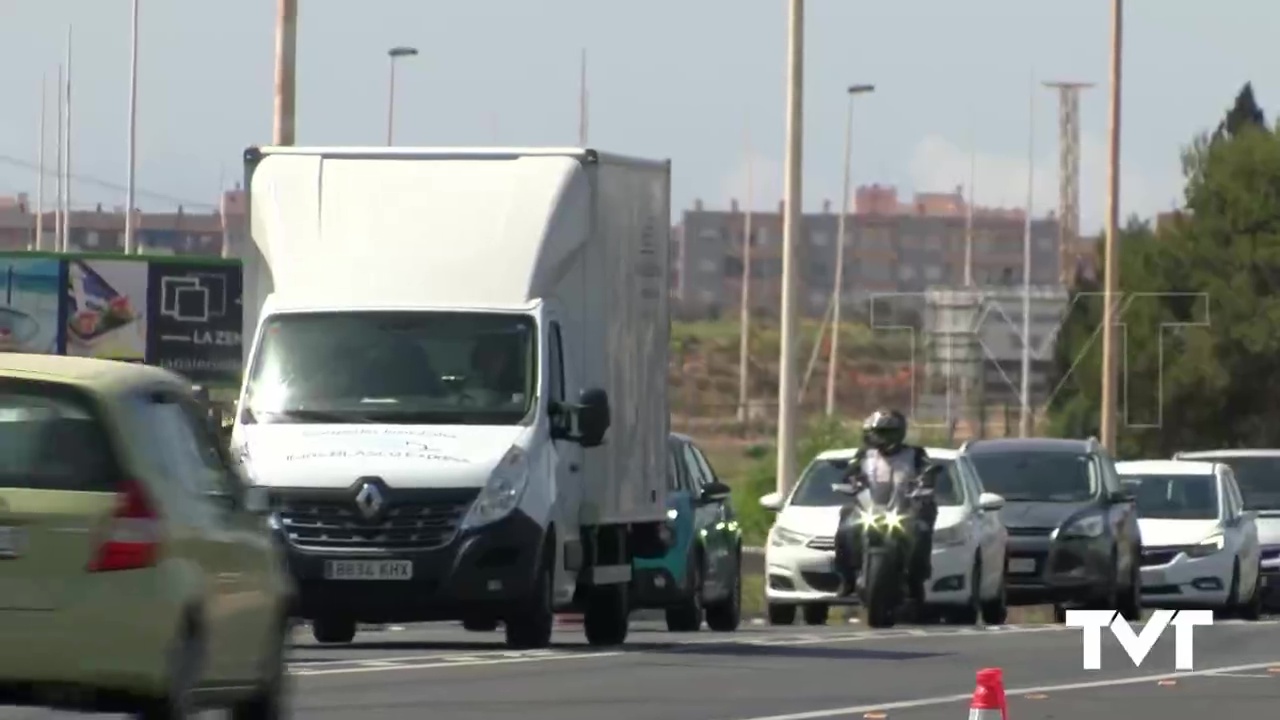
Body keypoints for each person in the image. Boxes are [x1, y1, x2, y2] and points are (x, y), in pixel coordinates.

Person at [833, 408, 937, 606]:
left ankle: (916, 579)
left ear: (897, 433)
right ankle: (846, 578)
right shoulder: (865, 454)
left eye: (884, 432)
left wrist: (926, 481)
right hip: (870, 508)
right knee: (845, 526)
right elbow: (849, 472)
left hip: (904, 509)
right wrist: (851, 480)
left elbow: (928, 470)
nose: (878, 437)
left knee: (922, 530)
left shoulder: (915, 454)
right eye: (876, 432)